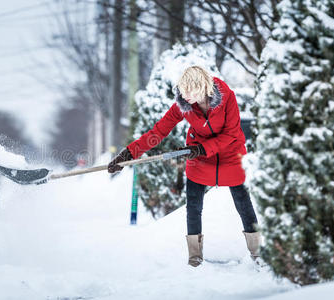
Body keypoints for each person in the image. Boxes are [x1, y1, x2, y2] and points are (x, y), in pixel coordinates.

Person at [108, 66, 260, 267]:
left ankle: (257, 253)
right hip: (199, 155)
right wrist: (129, 154)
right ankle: (195, 257)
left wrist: (201, 149)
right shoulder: (184, 104)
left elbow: (232, 134)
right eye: (183, 90)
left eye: (190, 91)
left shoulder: (227, 97)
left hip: (230, 154)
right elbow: (158, 131)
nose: (185, 96)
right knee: (194, 205)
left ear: (203, 87)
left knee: (243, 203)